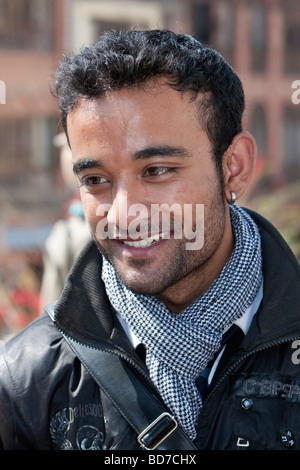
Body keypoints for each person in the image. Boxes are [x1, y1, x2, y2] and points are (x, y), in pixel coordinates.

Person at [0, 29, 299, 451]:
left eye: (157, 170)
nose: (123, 214)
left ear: (234, 168)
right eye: (96, 179)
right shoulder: (25, 380)